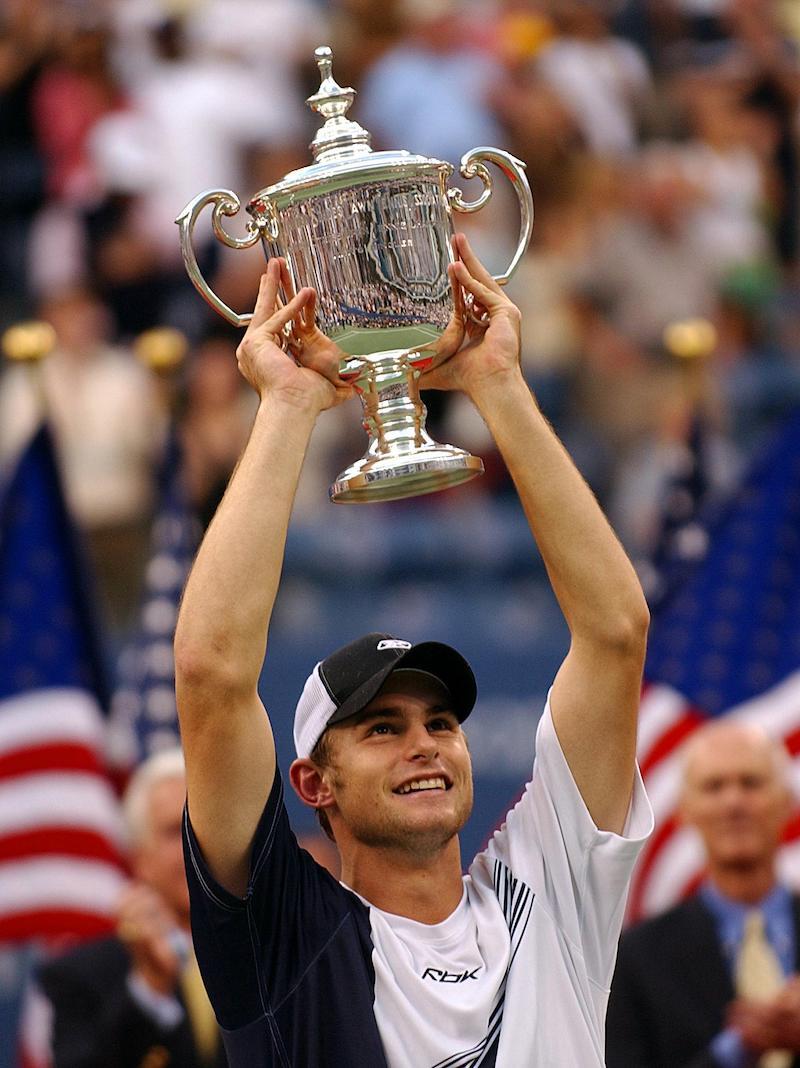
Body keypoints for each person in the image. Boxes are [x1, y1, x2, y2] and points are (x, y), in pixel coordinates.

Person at [173, 235, 653, 1066]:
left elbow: (615, 635)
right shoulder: (284, 939)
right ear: (314, 784)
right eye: (381, 727)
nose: (426, 742)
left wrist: (496, 383)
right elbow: (212, 676)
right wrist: (287, 406)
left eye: (439, 721)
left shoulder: (548, 889)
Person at [606, 719, 800, 1068]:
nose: (734, 802)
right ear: (685, 811)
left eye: (751, 782)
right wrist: (737, 1049)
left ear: (786, 802)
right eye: (714, 786)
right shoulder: (636, 959)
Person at [39, 749, 227, 1068]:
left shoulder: (273, 957)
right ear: (139, 859)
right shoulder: (80, 977)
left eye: (205, 825)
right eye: (173, 831)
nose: (194, 846)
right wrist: (150, 989)